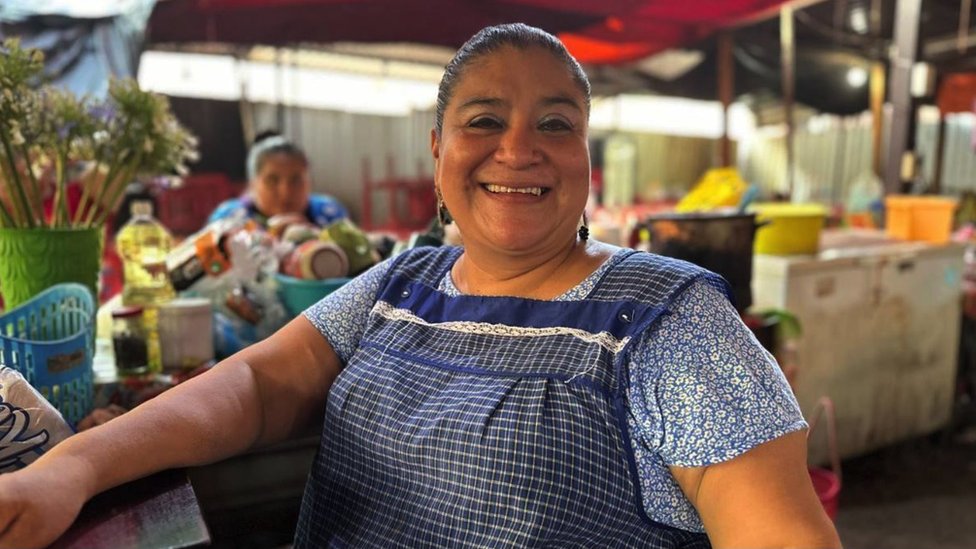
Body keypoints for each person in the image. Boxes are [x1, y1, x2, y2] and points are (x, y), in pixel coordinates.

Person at [0, 24, 840, 549]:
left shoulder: (669, 322)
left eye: (556, 124)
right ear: (436, 152)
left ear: (585, 158)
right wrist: (70, 467)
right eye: (484, 122)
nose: (520, 148)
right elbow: (258, 381)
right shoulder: (404, 280)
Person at [208, 132, 348, 227]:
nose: (285, 192)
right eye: (272, 181)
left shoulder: (329, 214)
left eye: (296, 180)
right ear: (253, 184)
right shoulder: (229, 219)